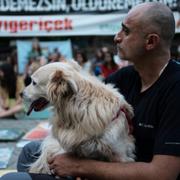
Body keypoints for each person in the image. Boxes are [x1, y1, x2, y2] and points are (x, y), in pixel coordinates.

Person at [1, 2, 180, 180]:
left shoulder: (175, 88)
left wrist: (80, 167)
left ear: (150, 41)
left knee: (12, 179)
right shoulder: (124, 77)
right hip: (99, 164)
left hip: (131, 172)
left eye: (126, 31)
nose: (116, 37)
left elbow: (162, 174)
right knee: (29, 151)